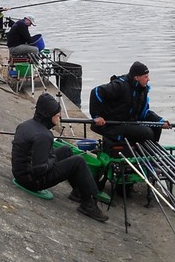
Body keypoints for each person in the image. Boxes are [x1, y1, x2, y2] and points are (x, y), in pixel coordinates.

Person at [12, 93, 108, 223]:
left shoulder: (25, 125)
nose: (59, 118)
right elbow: (39, 169)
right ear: (48, 115)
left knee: (67, 150)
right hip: (31, 181)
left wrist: (51, 157)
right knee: (78, 161)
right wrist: (53, 159)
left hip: (21, 172)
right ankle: (89, 204)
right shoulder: (44, 136)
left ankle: (78, 192)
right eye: (57, 115)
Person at [89, 61, 171, 148]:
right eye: (146, 77)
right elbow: (96, 92)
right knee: (147, 133)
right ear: (137, 77)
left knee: (156, 127)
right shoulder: (120, 86)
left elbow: (144, 113)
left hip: (128, 123)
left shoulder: (143, 90)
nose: (148, 79)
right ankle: (143, 152)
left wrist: (160, 121)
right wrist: (96, 116)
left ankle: (151, 152)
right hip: (111, 124)